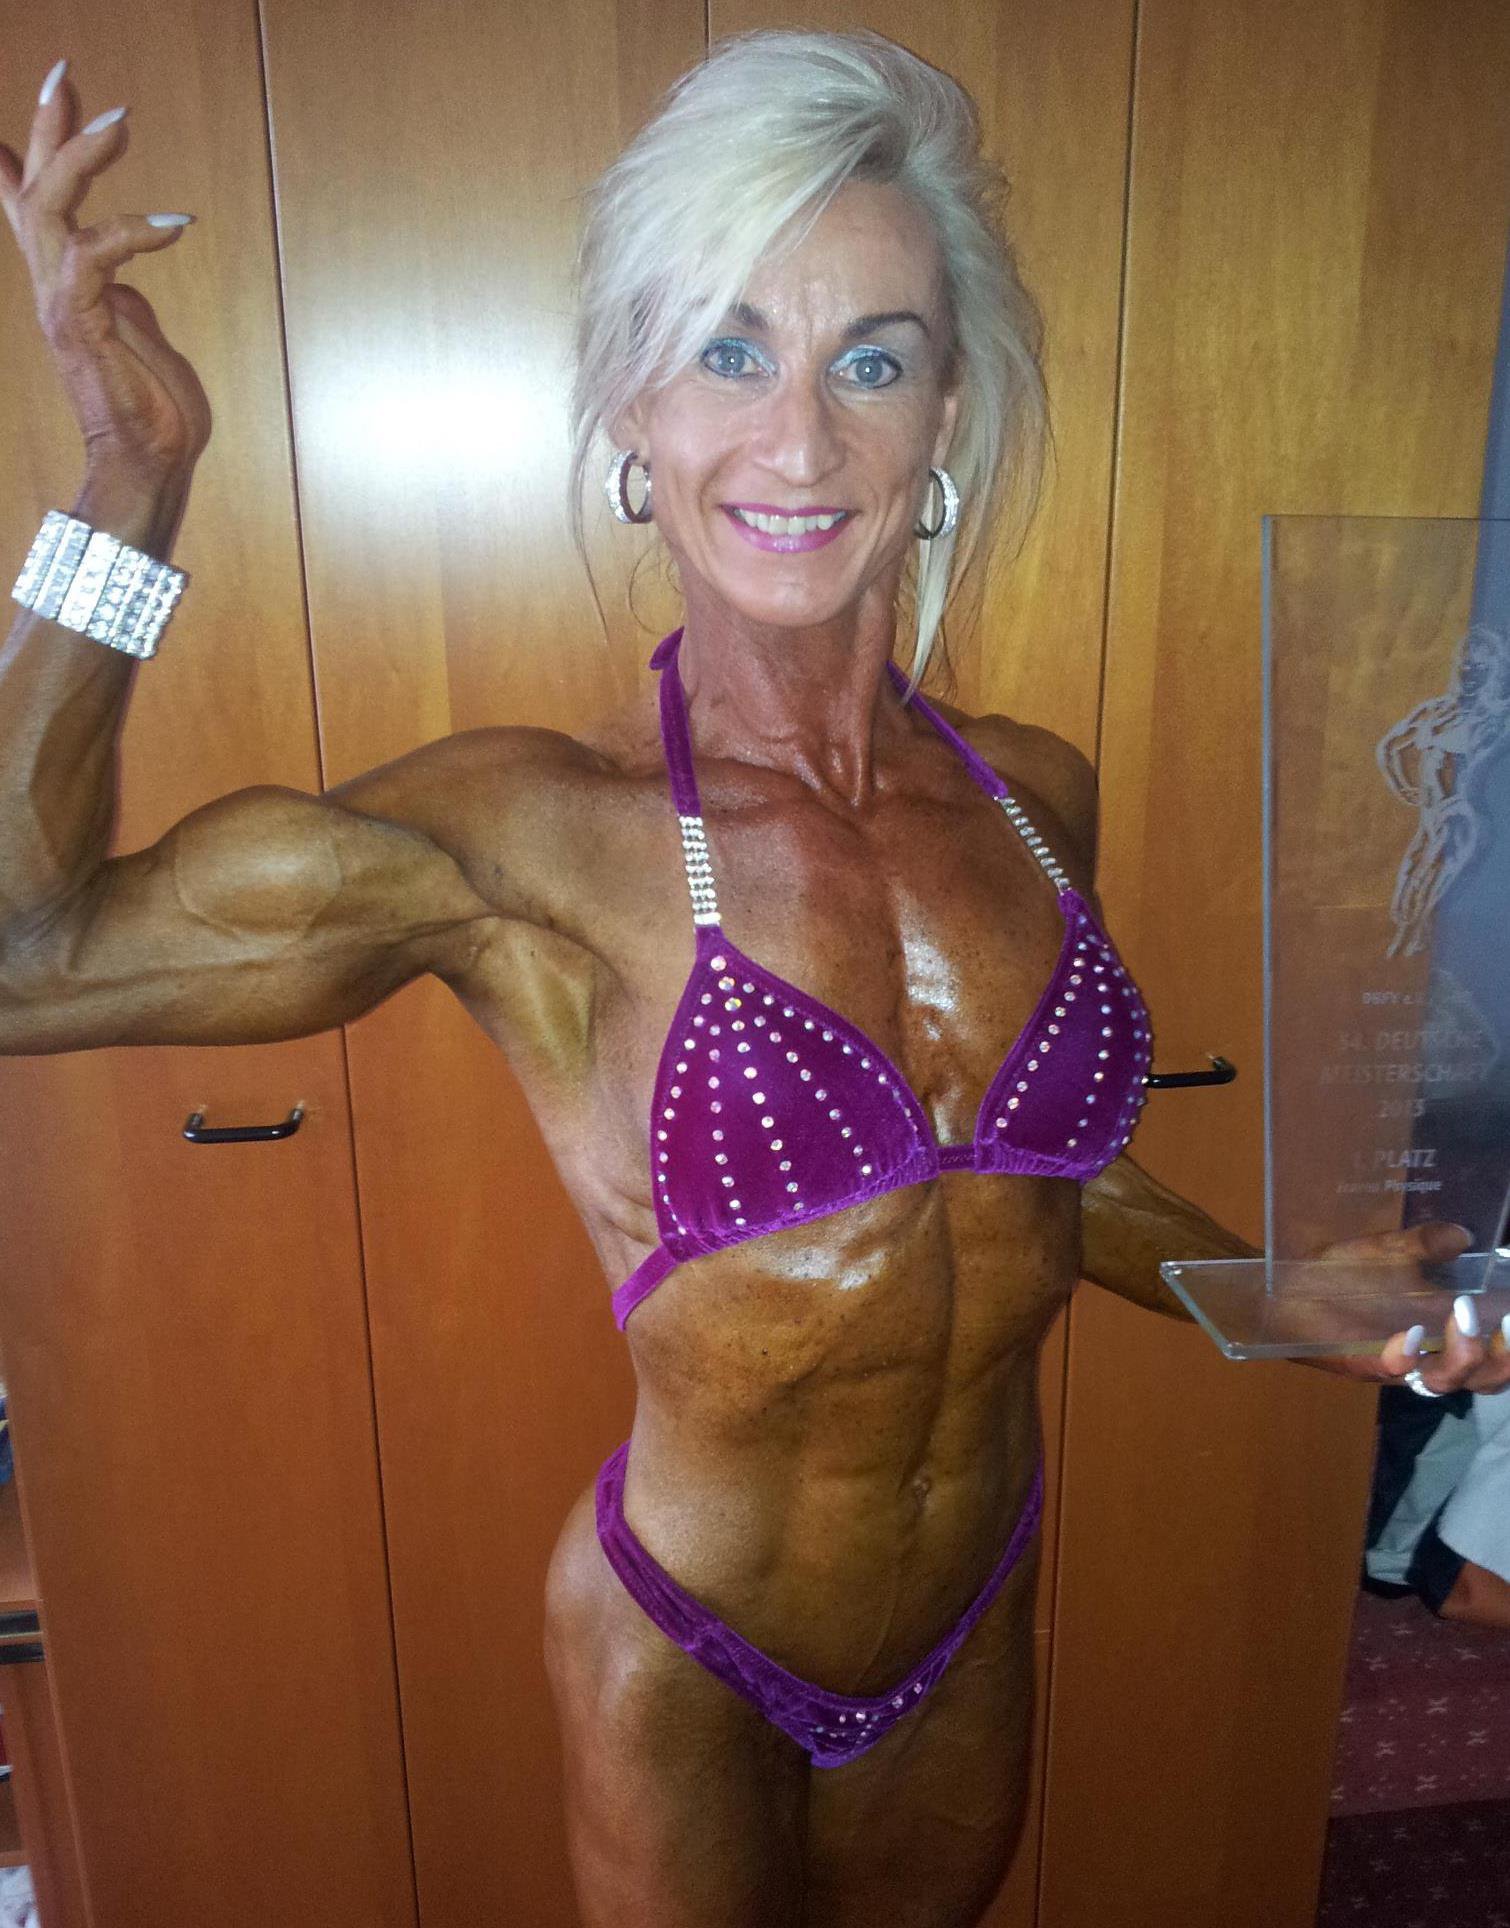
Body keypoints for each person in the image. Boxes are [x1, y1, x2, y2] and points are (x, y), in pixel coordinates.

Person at [3, 31, 1508, 1928]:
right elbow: (25, 955)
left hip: (971, 1611)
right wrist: (133, 480)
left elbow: (1025, 1184)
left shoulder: (1030, 797)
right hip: (689, 1644)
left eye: (869, 361)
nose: (798, 443)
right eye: (727, 352)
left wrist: (1274, 1291)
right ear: (632, 408)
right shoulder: (531, 833)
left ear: (943, 411)